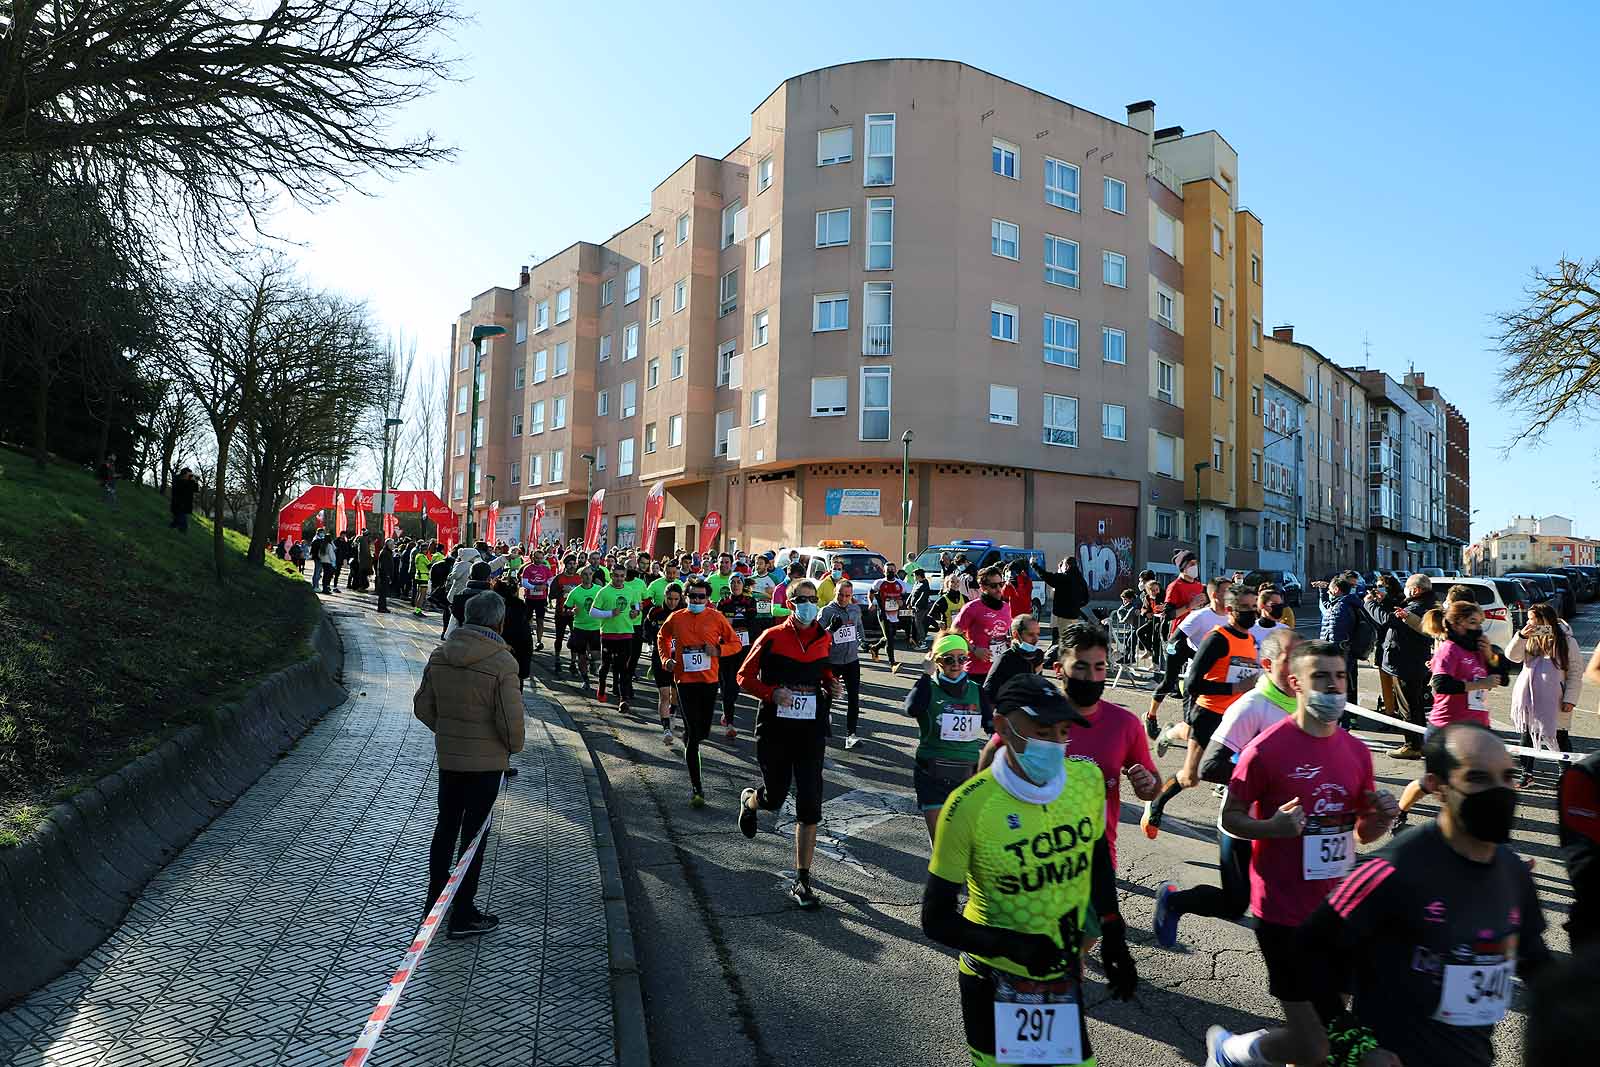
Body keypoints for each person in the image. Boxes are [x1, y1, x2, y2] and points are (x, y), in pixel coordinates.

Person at [1212, 723, 1547, 1067]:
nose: (1500, 791)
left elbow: (1537, 963)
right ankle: (1235, 1053)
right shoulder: (1395, 869)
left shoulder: (1513, 872)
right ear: (1437, 787)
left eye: (1508, 777)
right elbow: (1304, 954)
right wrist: (1352, 1043)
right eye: (1478, 779)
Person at [920, 673, 1137, 1067]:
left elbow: (1096, 856)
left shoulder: (1085, 780)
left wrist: (1112, 928)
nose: (1055, 744)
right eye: (1042, 730)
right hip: (993, 979)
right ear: (1003, 726)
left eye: (1063, 731)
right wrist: (1014, 946)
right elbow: (935, 920)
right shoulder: (968, 805)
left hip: (1059, 973)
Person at [1199, 639, 1397, 1067]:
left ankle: (1243, 1053)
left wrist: (1380, 820)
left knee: (1316, 1044)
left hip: (1339, 909)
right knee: (1319, 1044)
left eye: (1340, 677)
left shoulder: (1355, 750)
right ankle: (1232, 1052)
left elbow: (1360, 835)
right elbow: (1230, 816)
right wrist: (1270, 827)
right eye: (1321, 678)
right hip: (1284, 915)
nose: (1334, 687)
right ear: (1296, 683)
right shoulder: (1266, 750)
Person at [1154, 628, 1300, 945]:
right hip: (1244, 820)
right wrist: (1268, 782)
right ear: (1267, 664)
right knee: (1235, 903)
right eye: (1292, 659)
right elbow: (1210, 766)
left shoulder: (1308, 704)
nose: (1301, 666)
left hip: (1290, 822)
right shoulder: (1252, 707)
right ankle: (1174, 901)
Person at [977, 625, 1161, 870]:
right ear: (1059, 670)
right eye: (1081, 667)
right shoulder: (1031, 715)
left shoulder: (1124, 724)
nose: (1092, 677)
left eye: (1099, 667)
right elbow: (991, 754)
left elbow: (1152, 786)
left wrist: (1147, 785)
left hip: (1096, 862)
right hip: (1030, 858)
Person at [412, 590, 525, 939]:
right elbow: (511, 721)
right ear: (498, 622)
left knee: (445, 826)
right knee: (474, 837)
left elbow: (422, 706)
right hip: (487, 763)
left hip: (449, 757)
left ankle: (435, 900)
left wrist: (449, 731)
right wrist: (510, 747)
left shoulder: (440, 655)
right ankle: (462, 912)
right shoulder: (502, 662)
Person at [734, 579, 842, 909]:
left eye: (813, 599)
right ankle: (751, 801)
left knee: (810, 803)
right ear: (792, 602)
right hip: (776, 728)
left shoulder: (824, 637)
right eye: (803, 599)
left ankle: (802, 880)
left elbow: (823, 672)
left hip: (811, 729)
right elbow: (743, 676)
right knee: (775, 796)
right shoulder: (772, 637)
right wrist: (771, 693)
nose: (809, 605)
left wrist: (831, 685)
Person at [1143, 585, 1258, 840]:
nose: (1252, 613)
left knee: (1242, 773)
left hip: (1236, 719)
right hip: (1208, 714)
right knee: (1190, 777)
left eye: (1254, 607)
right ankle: (1156, 803)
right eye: (1246, 608)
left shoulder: (1250, 640)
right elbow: (1192, 683)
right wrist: (1235, 687)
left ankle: (1235, 829)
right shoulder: (1217, 639)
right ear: (1230, 610)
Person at [656, 577, 742, 806]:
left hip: (709, 681)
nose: (696, 599)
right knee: (693, 734)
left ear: (708, 598)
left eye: (701, 596)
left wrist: (718, 650)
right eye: (692, 596)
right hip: (684, 681)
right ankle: (697, 787)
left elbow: (736, 643)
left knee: (702, 731)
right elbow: (662, 637)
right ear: (686, 597)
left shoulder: (716, 617)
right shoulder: (677, 617)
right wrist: (666, 659)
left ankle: (692, 738)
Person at [903, 634, 987, 841]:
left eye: (962, 658)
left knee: (964, 840)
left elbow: (993, 726)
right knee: (940, 841)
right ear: (938, 662)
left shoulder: (977, 691)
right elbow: (912, 708)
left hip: (967, 774)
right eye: (949, 659)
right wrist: (925, 674)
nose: (956, 664)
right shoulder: (928, 688)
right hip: (933, 772)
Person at [1363, 573, 1437, 759]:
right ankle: (1419, 742)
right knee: (1415, 704)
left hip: (1406, 661)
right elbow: (1397, 611)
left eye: (1408, 587)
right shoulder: (1422, 603)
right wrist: (1385, 600)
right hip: (1409, 660)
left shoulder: (1420, 606)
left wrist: (1369, 604)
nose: (1406, 590)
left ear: (1416, 590)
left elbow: (1389, 620)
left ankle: (1412, 745)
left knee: (1409, 706)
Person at [1144, 558, 1219, 740]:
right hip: (1176, 640)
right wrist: (1189, 606)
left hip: (1196, 639)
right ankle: (1151, 716)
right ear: (1183, 567)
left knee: (1201, 677)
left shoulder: (1200, 586)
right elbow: (1167, 615)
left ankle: (1191, 721)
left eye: (1196, 563)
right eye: (1191, 564)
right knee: (1169, 680)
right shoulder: (1174, 586)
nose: (1195, 567)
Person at [1506, 604, 1580, 784]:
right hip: (1529, 697)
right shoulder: (1528, 637)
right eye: (1529, 619)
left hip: (1556, 698)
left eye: (1533, 619)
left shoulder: (1567, 640)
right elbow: (1512, 656)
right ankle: (1527, 773)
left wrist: (1570, 699)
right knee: (1527, 734)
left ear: (1545, 620)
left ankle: (1565, 775)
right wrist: (1522, 636)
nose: (1529, 622)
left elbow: (1576, 672)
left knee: (1560, 736)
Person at [953, 564, 1013, 698]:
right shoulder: (972, 607)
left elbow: (1006, 633)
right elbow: (954, 632)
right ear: (983, 587)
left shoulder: (1006, 607)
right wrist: (974, 649)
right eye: (994, 586)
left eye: (1001, 584)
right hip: (976, 670)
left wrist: (1008, 642)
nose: (999, 589)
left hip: (999, 669)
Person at [819, 579, 866, 750]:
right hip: (832, 662)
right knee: (828, 697)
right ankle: (823, 727)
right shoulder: (826, 611)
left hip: (852, 660)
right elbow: (817, 637)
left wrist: (864, 642)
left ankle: (851, 735)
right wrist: (831, 628)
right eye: (840, 594)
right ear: (835, 593)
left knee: (854, 698)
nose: (844, 598)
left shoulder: (855, 609)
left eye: (847, 595)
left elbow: (858, 628)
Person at [590, 567, 641, 710]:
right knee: (606, 665)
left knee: (624, 667)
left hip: (626, 633)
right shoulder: (604, 591)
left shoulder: (630, 590)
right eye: (616, 576)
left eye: (622, 576)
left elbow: (635, 604)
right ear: (611, 575)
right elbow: (592, 612)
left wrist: (635, 612)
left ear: (625, 576)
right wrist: (610, 613)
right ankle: (601, 686)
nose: (619, 579)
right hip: (608, 634)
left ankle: (623, 700)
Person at [716, 573, 759, 741]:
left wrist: (733, 623)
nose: (735, 585)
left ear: (743, 584)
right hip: (726, 648)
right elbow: (720, 624)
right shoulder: (723, 602)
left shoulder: (749, 601)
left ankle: (727, 712)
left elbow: (751, 621)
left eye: (738, 582)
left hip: (743, 648)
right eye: (732, 582)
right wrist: (733, 625)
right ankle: (730, 723)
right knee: (727, 685)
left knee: (735, 686)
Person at [1312, 573, 1363, 708]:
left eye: (1330, 589)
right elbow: (1326, 608)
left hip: (1340, 653)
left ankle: (1344, 719)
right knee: (1343, 684)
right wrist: (1322, 591)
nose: (1329, 591)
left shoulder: (1341, 606)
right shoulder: (1344, 603)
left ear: (1336, 590)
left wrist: (1329, 653)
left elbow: (1335, 633)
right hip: (1345, 652)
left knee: (1339, 686)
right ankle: (1346, 717)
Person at [646, 585, 686, 745]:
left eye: (676, 599)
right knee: (663, 695)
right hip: (660, 658)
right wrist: (652, 641)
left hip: (679, 659)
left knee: (675, 694)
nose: (672, 602)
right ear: (664, 596)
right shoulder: (655, 612)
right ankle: (666, 729)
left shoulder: (684, 613)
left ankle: (673, 713)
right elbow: (646, 629)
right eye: (669, 598)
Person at [980, 614, 1044, 711]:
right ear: (1016, 634)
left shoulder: (1038, 655)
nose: (1036, 639)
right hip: (1010, 716)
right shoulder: (1005, 659)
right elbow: (988, 696)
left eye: (1038, 634)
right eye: (1030, 634)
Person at [563, 566, 604, 690]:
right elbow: (565, 609)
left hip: (596, 627)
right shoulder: (575, 592)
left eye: (590, 574)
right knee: (581, 656)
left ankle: (592, 663)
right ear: (580, 576)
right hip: (580, 628)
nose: (588, 577)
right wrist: (571, 611)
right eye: (585, 574)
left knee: (596, 655)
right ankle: (586, 680)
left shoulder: (599, 590)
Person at [869, 565, 914, 671]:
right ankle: (892, 663)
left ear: (895, 571)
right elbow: (870, 593)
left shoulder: (900, 584)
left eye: (892, 570)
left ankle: (875, 648)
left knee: (889, 636)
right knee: (890, 639)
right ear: (884, 572)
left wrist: (902, 603)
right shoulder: (879, 583)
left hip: (895, 613)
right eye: (888, 570)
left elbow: (904, 598)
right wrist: (871, 603)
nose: (890, 572)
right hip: (883, 613)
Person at [1036, 553, 1091, 635]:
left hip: (1063, 615)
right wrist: (1076, 606)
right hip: (1074, 615)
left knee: (1065, 638)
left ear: (1067, 566)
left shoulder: (1064, 578)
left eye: (1064, 565)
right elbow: (1086, 599)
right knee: (1072, 638)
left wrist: (1034, 566)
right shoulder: (1081, 580)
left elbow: (1046, 576)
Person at [493, 577, 533, 689]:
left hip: (499, 654)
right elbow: (526, 641)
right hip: (519, 654)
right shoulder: (521, 609)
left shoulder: (495, 608)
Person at [550, 556, 586, 673]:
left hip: (575, 614)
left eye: (574, 564)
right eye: (569, 564)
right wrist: (562, 591)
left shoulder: (579, 579)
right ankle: (557, 659)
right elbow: (551, 595)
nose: (572, 566)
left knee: (575, 639)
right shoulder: (559, 578)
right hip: (561, 613)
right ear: (565, 565)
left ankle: (573, 663)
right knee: (559, 638)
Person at [412, 541, 437, 617]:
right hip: (423, 577)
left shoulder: (417, 556)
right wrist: (434, 561)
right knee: (422, 594)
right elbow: (429, 565)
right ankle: (418, 610)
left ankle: (416, 609)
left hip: (418, 576)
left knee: (419, 593)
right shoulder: (422, 557)